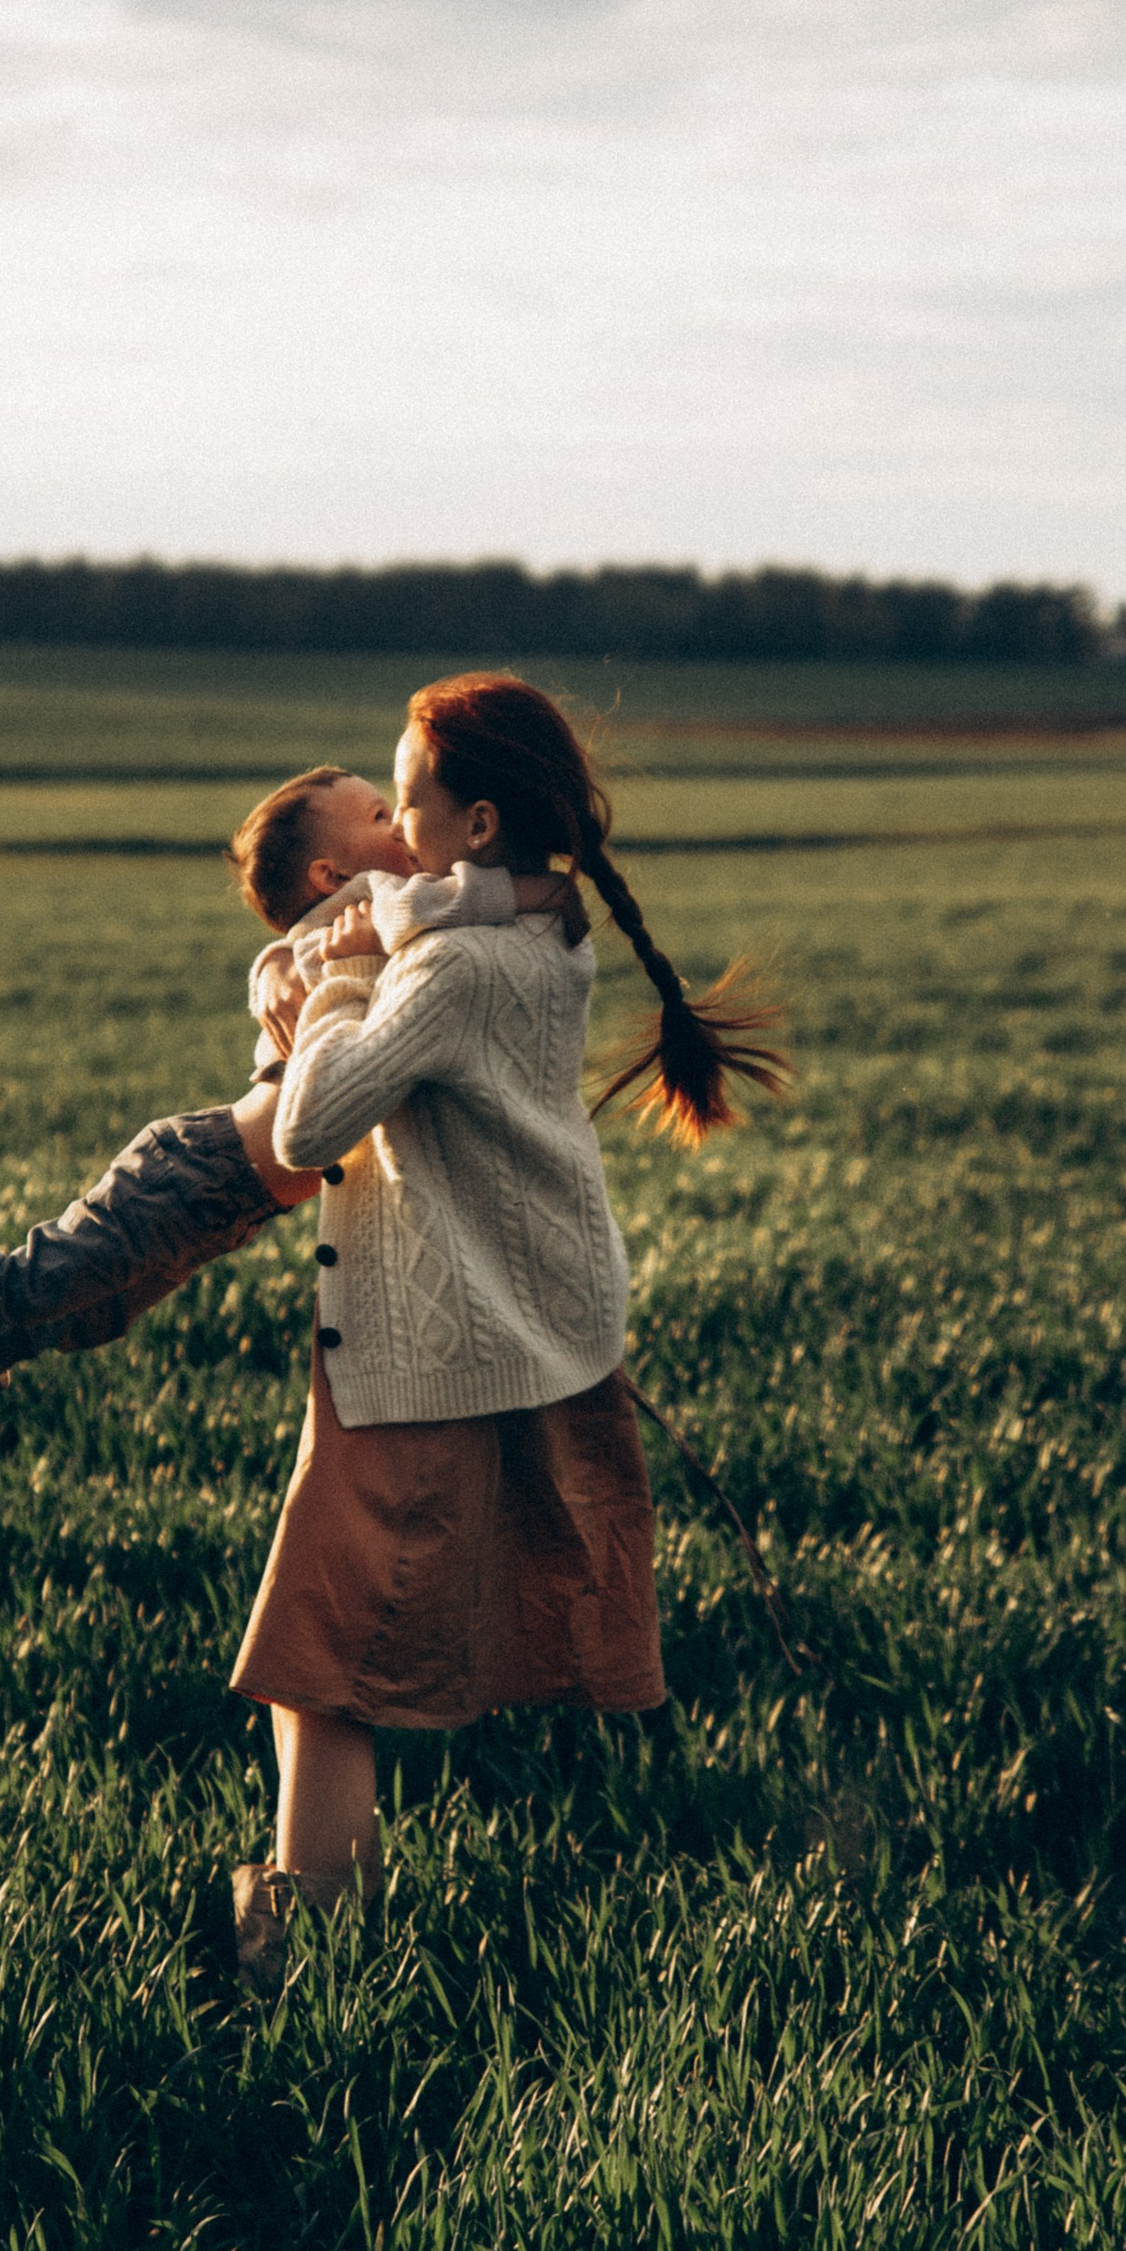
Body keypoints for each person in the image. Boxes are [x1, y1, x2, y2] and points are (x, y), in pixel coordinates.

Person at [227, 672, 786, 1986]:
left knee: (328, 1663)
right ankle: (305, 1912)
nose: (388, 829)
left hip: (431, 1356)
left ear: (475, 825)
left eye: (403, 795)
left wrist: (341, 977)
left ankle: (305, 1944)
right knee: (326, 1651)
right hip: (489, 1331)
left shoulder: (461, 966)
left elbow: (311, 1129)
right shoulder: (532, 929)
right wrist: (381, 939)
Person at [0, 766, 562, 1473]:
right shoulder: (373, 905)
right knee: (33, 1281)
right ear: (326, 875)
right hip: (202, 1166)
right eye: (383, 817)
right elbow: (463, 896)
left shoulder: (343, 922)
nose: (405, 827)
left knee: (89, 1313)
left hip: (231, 1195)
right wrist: (552, 887)